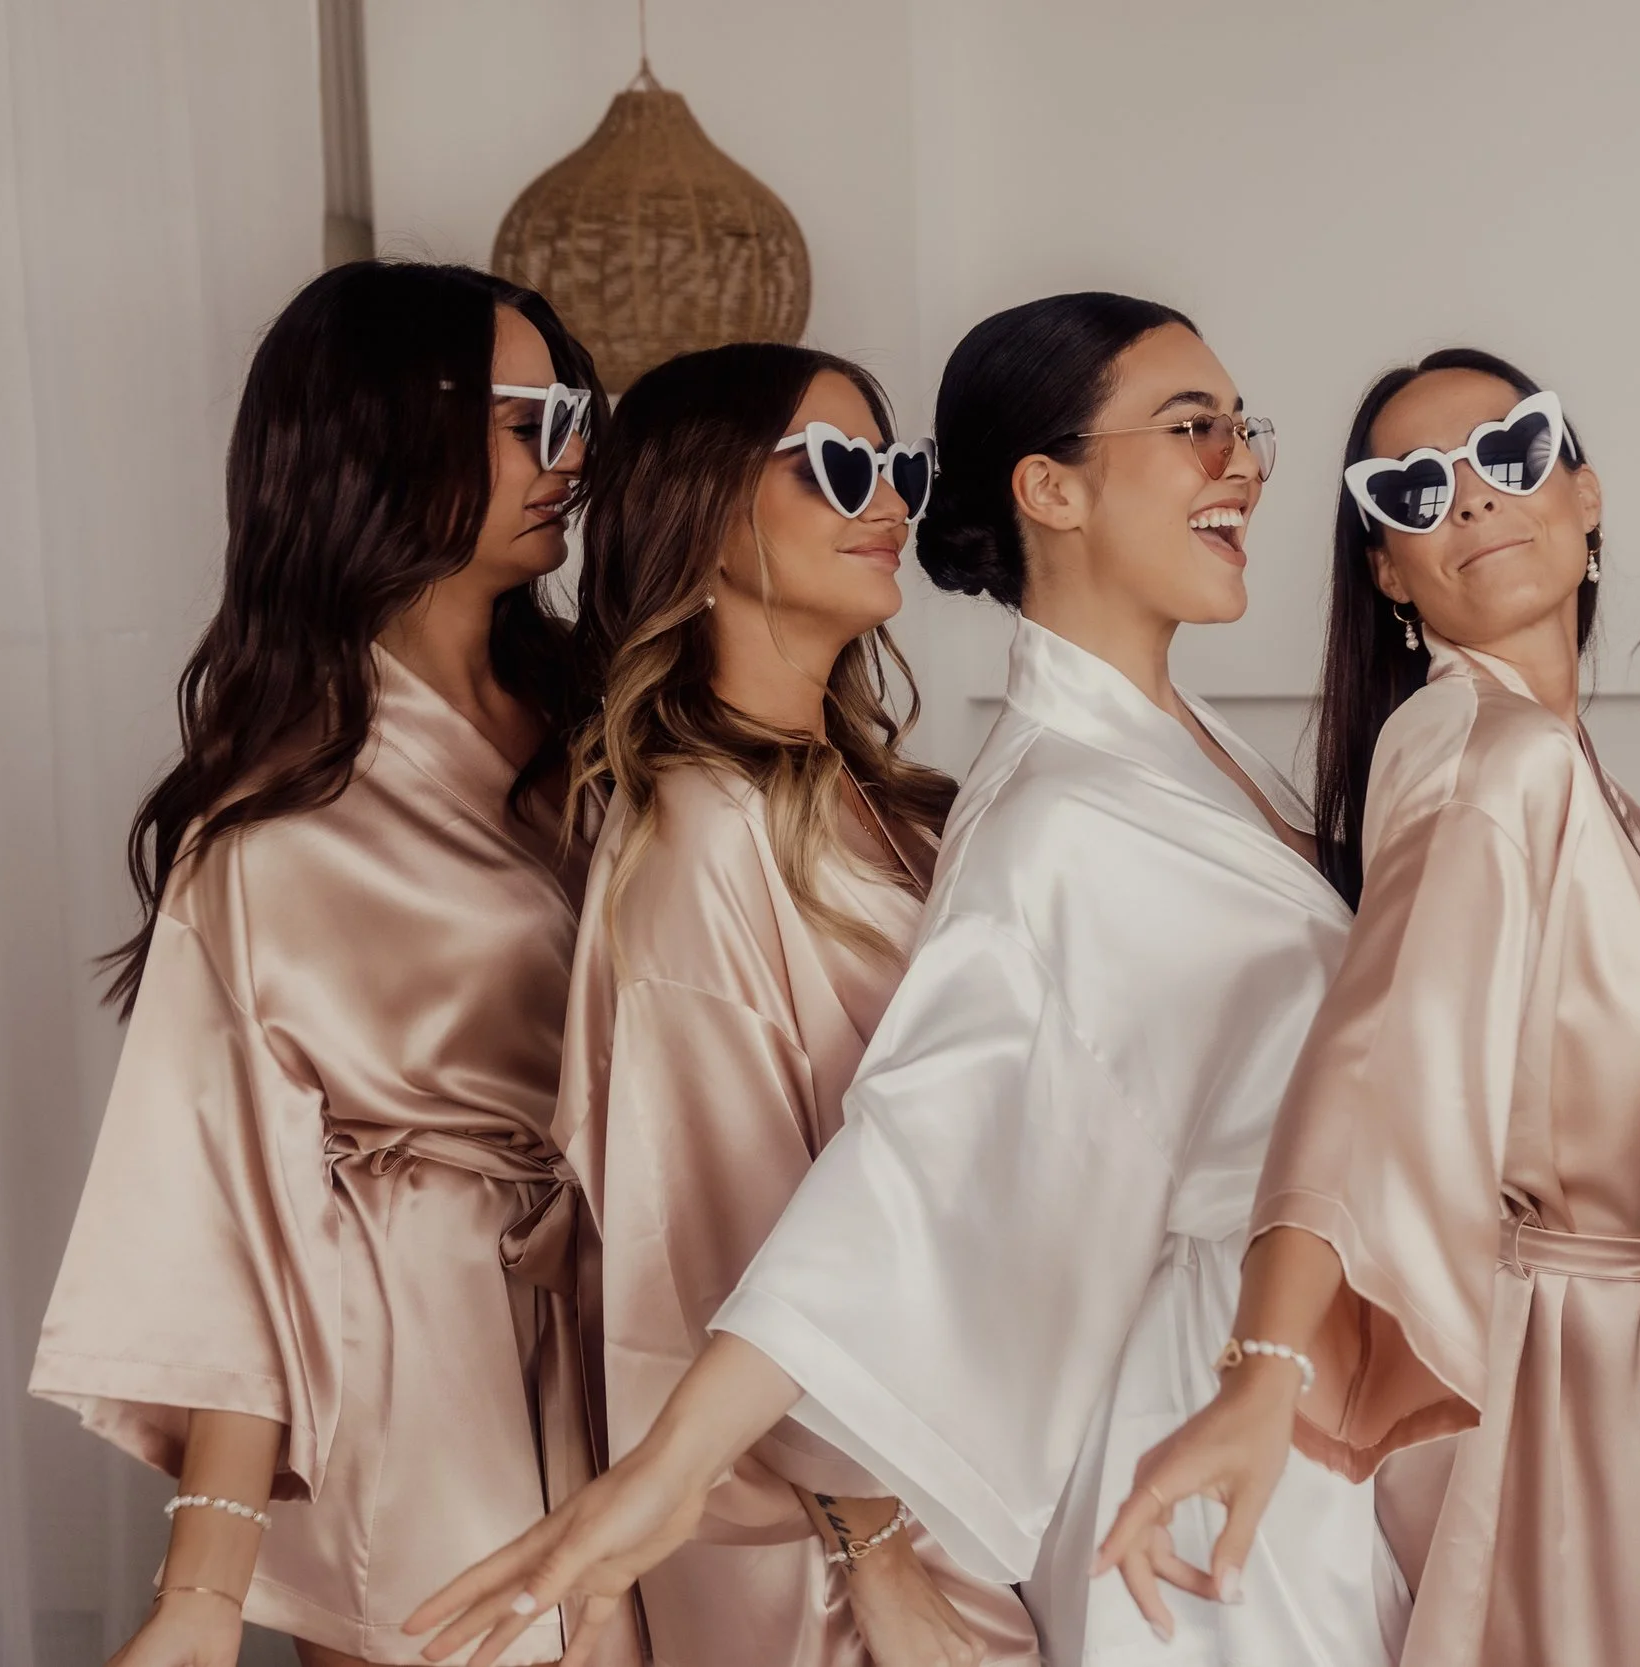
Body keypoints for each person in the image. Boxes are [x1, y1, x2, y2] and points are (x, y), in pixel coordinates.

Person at [406, 293, 1402, 1667]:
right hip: (1179, 1407)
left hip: (1268, 1374)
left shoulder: (1092, 772)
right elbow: (894, 1162)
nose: (1244, 459)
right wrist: (688, 1468)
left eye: (1245, 427)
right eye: (1193, 426)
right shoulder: (1042, 816)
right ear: (1049, 487)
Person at [32, 260, 638, 1667]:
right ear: (381, 430)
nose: (573, 456)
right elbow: (225, 1213)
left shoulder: (605, 721)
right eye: (526, 418)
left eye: (574, 414)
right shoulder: (275, 823)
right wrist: (200, 1590)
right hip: (421, 1379)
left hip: (638, 1332)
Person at [1096, 351, 1640, 1667]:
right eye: (1416, 487)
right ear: (1387, 566)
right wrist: (1267, 1358)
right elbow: (1377, 1048)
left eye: (1511, 453)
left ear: (1586, 489)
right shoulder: (1483, 755)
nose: (1473, 499)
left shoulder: (1589, 783)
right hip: (1560, 1405)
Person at [552, 340, 1038, 1666]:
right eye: (837, 468)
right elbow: (726, 1231)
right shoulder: (701, 838)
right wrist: (875, 1553)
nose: (887, 502)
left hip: (967, 1448)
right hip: (814, 1528)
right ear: (699, 518)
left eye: (900, 468)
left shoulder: (913, 808)